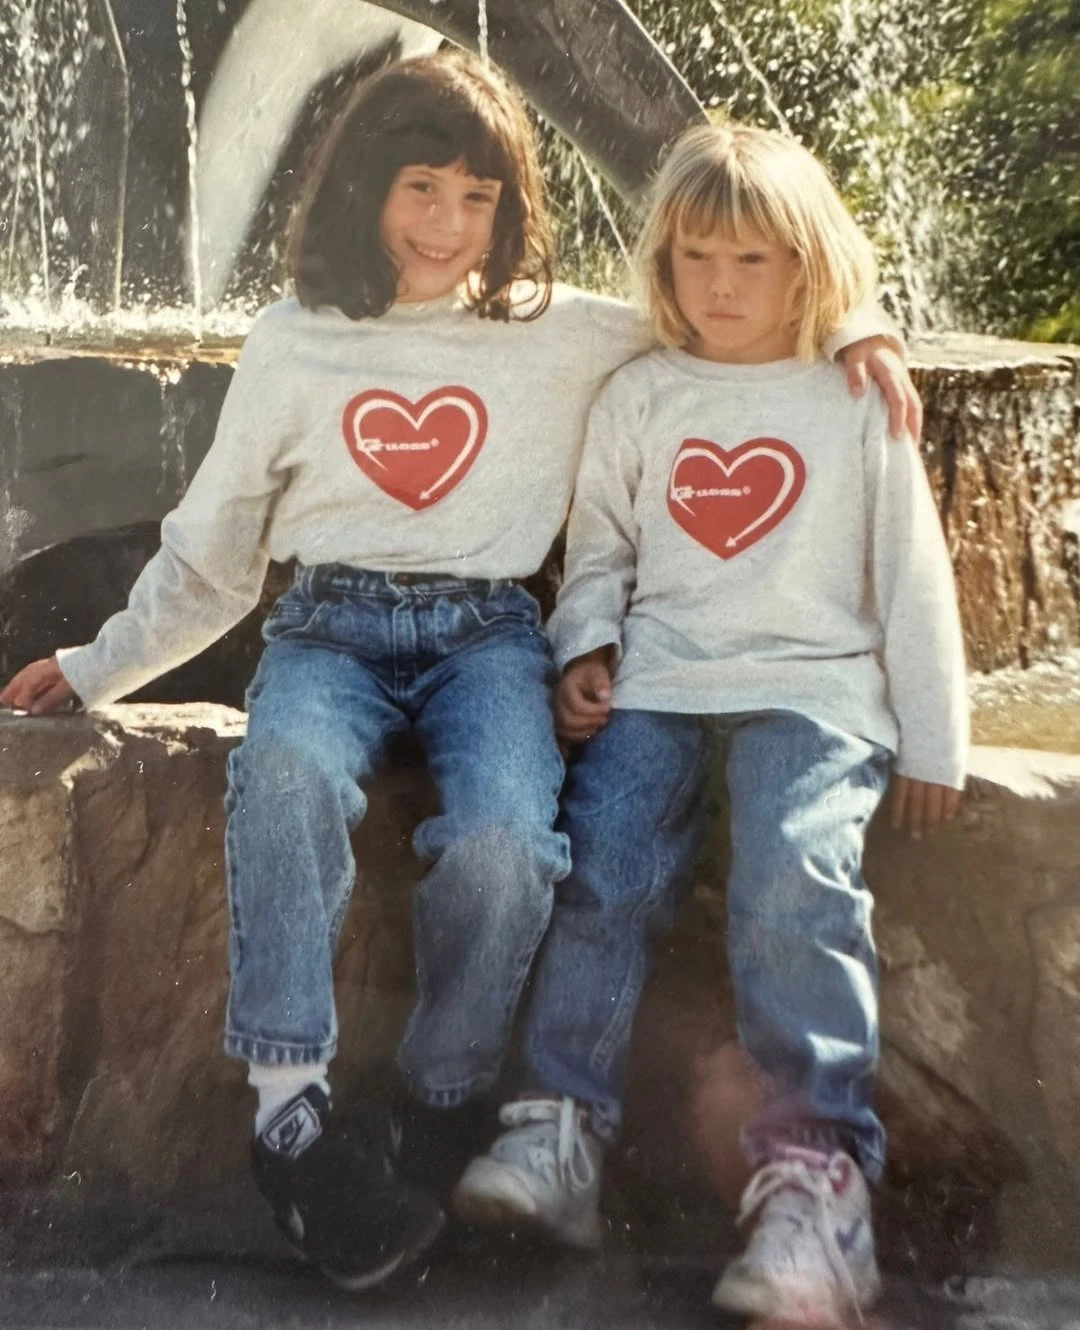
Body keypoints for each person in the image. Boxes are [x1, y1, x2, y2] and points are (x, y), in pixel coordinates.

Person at [0, 53, 916, 1294]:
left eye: (476, 197)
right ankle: (289, 1106)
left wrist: (858, 321)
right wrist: (102, 662)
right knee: (283, 770)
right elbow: (211, 554)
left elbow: (731, 292)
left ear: (510, 210)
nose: (444, 224)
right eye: (418, 186)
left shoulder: (560, 334)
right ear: (361, 190)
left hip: (489, 637)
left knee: (505, 843)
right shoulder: (293, 341)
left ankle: (440, 1088)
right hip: (326, 629)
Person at [453, 120, 968, 1326]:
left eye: (753, 261)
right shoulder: (640, 394)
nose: (721, 287)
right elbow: (603, 552)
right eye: (695, 258)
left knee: (793, 872)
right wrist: (586, 644)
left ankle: (815, 1184)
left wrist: (937, 735)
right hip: (663, 686)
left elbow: (914, 573)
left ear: (807, 265)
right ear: (664, 265)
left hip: (818, 691)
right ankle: (556, 1131)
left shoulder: (855, 394)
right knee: (607, 864)